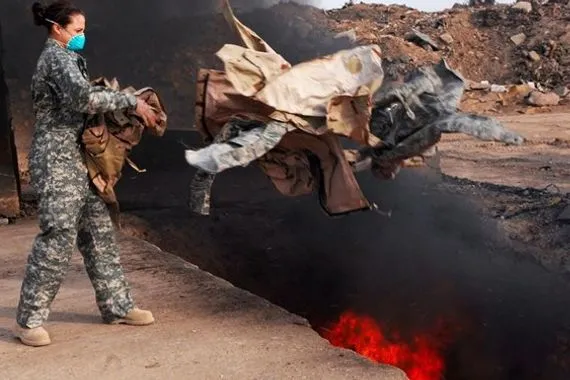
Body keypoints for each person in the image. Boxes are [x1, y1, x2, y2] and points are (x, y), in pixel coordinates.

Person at [14, 0, 158, 347]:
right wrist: (129, 101)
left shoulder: (70, 56)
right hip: (57, 159)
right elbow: (82, 99)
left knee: (99, 233)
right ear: (57, 28)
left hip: (80, 159)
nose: (82, 36)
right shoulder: (56, 57)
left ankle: (117, 306)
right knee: (58, 237)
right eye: (77, 30)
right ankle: (28, 320)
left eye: (84, 30)